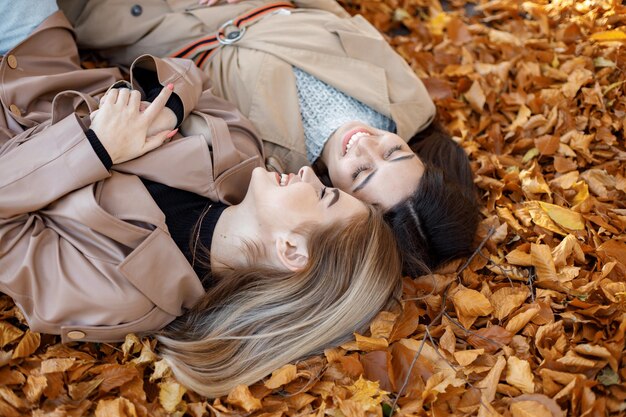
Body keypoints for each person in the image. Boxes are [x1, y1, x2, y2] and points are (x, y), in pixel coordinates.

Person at [0, 9, 403, 397]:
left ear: (291, 250)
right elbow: (192, 78)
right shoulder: (242, 156)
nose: (310, 174)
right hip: (35, 48)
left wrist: (96, 147)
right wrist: (167, 107)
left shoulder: (125, 296)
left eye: (323, 194)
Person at [58, 0, 481, 275]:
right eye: (395, 151)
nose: (366, 143)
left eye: (363, 173)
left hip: (150, 16)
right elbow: (333, 16)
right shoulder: (406, 104)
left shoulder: (262, 168)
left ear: (343, 199)